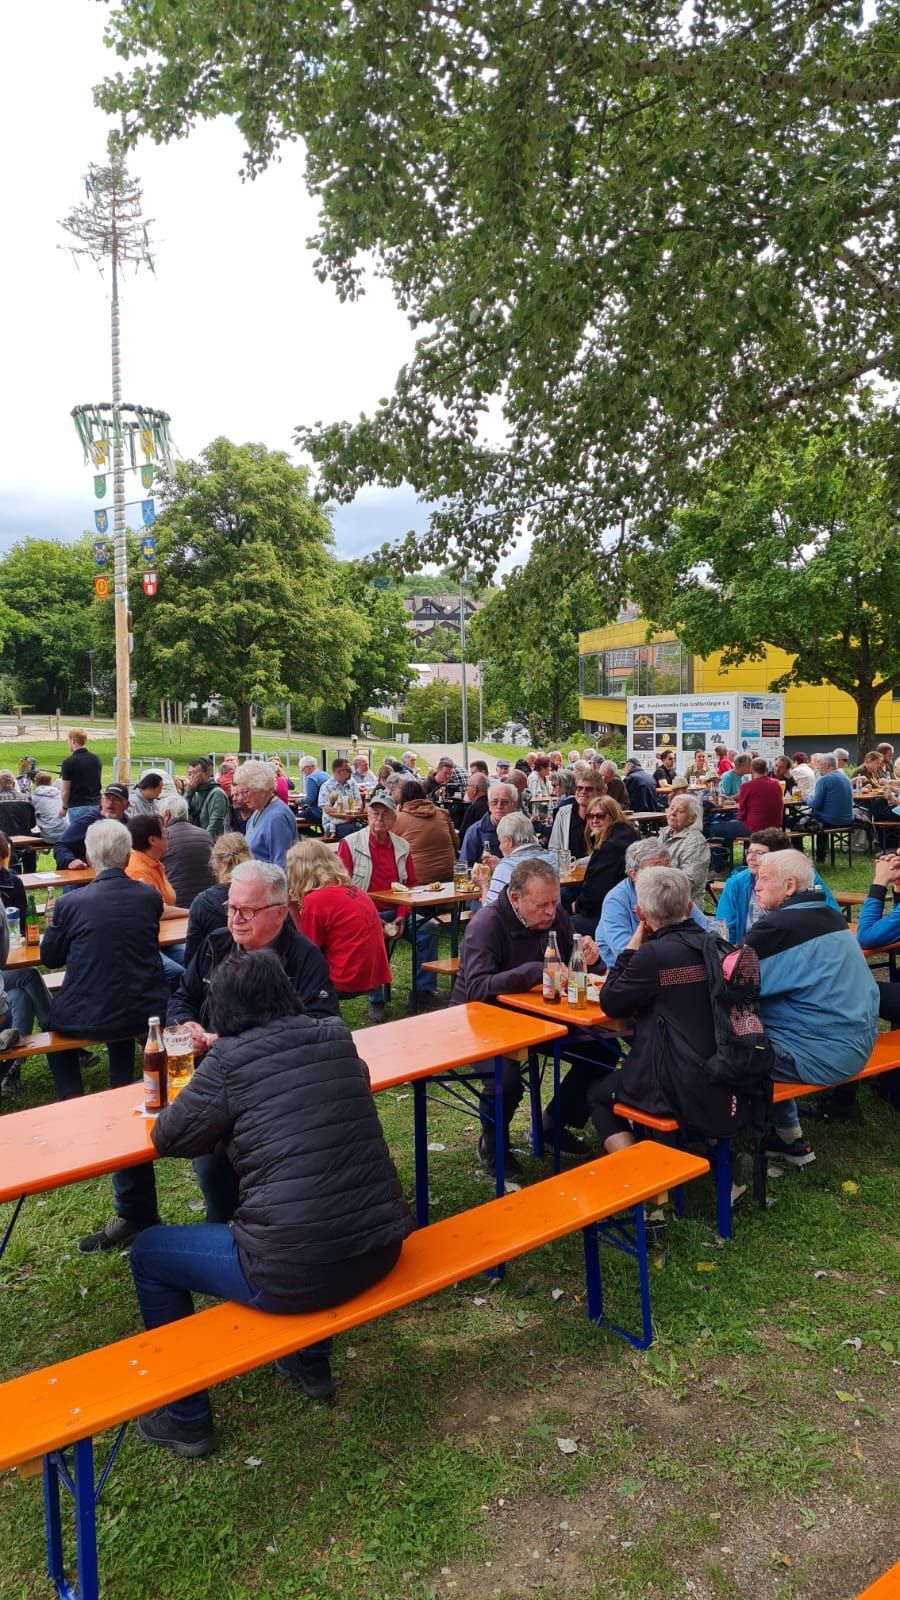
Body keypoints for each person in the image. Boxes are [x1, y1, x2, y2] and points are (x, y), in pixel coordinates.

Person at [129, 950, 413, 1456]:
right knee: (316, 1207)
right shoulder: (336, 1036)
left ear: (221, 1009)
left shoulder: (228, 1061)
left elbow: (169, 1137)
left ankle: (186, 1417)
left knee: (149, 1252)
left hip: (295, 1272)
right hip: (381, 1247)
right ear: (286, 992)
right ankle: (310, 1361)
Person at [452, 858, 614, 1181]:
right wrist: (532, 972)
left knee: (603, 1051)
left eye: (554, 902)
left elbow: (575, 965)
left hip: (542, 1015)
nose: (551, 912)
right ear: (515, 898)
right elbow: (477, 989)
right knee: (506, 1079)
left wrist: (591, 960)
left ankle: (552, 1124)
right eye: (541, 906)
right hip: (481, 1019)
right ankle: (493, 1145)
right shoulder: (486, 924)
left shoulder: (556, 916)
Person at [742, 849, 878, 1165]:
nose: (756, 886)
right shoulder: (831, 916)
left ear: (790, 885)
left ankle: (706, 1140)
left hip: (823, 1057)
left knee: (726, 1045)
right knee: (760, 1027)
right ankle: (788, 1135)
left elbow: (728, 986)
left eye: (763, 879)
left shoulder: (777, 929)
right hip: (859, 1043)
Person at [584, 867, 724, 1154]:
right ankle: (702, 1143)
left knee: (597, 1094)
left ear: (640, 913)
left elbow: (611, 1002)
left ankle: (637, 1170)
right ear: (689, 907)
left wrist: (632, 946)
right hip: (721, 1069)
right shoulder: (715, 945)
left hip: (673, 1080)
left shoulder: (654, 955)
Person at [41, 819, 170, 1105]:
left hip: (93, 1011)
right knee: (119, 997)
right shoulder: (148, 897)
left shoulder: (71, 903)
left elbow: (50, 958)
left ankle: (71, 1097)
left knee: (50, 1026)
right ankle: (120, 1085)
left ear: (89, 856)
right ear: (127, 857)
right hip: (145, 1006)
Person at [337, 795, 441, 1018]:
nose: (380, 818)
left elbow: (410, 884)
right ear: (367, 816)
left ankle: (422, 991)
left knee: (428, 929)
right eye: (375, 813)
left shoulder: (402, 846)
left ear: (395, 818)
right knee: (374, 934)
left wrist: (402, 915)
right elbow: (343, 888)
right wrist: (374, 918)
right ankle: (376, 999)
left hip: (398, 910)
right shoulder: (350, 844)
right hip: (364, 913)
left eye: (385, 814)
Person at [286, 840, 392, 997]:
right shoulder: (353, 889)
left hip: (346, 980)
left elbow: (308, 950)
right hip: (373, 975)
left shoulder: (315, 900)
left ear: (299, 870)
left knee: (285, 972)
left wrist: (292, 907)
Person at [596, 839, 707, 968]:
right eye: (655, 869)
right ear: (634, 874)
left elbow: (705, 931)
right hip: (626, 971)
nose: (664, 874)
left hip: (673, 966)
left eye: (667, 867)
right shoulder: (616, 900)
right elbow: (624, 951)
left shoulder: (670, 892)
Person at [716, 829, 838, 944]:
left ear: (779, 858)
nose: (750, 858)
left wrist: (798, 893)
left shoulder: (805, 877)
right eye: (749, 852)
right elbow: (725, 929)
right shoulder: (736, 883)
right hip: (750, 949)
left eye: (759, 853)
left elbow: (829, 911)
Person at [0, 832, 51, 1092]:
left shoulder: (12, 882)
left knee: (20, 996)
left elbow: (19, 928)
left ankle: (13, 1071)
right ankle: (57, 1027)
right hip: (4, 971)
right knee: (29, 975)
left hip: (6, 971)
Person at [184, 831, 252, 966]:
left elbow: (191, 959)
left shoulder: (202, 903)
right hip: (259, 969)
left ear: (216, 863)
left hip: (215, 972)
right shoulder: (262, 894)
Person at [571, 797, 638, 932]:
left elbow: (595, 893)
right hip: (631, 907)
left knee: (564, 924)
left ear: (613, 816)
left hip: (615, 914)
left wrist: (577, 906)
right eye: (590, 816)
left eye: (600, 816)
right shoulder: (629, 834)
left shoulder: (610, 848)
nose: (594, 820)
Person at [480, 812, 557, 908]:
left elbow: (489, 909)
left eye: (501, 842)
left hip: (521, 917)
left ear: (509, 841)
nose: (500, 847)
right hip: (551, 915)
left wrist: (484, 885)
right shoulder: (551, 859)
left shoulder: (504, 869)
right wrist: (501, 862)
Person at [234, 760, 299, 869]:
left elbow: (282, 866)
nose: (242, 797)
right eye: (240, 792)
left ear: (262, 790)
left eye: (245, 792)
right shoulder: (258, 811)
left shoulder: (277, 818)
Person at [391, 780, 459, 883]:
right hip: (448, 874)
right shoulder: (442, 813)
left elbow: (388, 848)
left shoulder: (398, 819)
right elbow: (456, 842)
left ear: (402, 798)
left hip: (418, 878)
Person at [711, 756, 785, 849]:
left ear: (751, 770)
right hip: (775, 826)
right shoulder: (777, 783)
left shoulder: (747, 786)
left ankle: (721, 857)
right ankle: (745, 853)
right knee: (732, 825)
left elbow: (741, 815)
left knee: (714, 828)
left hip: (754, 828)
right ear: (766, 770)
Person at [54, 782, 130, 870]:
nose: (110, 803)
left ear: (127, 805)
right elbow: (61, 845)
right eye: (107, 799)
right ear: (101, 801)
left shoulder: (130, 825)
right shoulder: (87, 822)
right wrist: (70, 861)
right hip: (84, 873)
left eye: (116, 800)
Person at [157, 793, 215, 905]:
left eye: (158, 815)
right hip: (206, 902)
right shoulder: (206, 835)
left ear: (167, 814)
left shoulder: (162, 838)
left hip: (176, 904)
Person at [657, 794, 711, 901]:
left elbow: (689, 881)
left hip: (679, 903)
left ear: (692, 818)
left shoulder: (695, 842)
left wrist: (655, 883)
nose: (672, 814)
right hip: (656, 896)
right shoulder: (665, 833)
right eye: (671, 808)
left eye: (680, 811)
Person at [460, 781, 519, 867]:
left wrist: (501, 864)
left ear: (514, 805)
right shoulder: (474, 832)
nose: (499, 806)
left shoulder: (523, 828)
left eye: (504, 802)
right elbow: (465, 866)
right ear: (488, 805)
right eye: (494, 802)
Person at [808, 753, 854, 863]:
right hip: (848, 820)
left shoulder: (824, 780)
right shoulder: (846, 779)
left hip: (831, 820)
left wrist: (805, 799)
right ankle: (820, 855)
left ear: (827, 765)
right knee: (819, 816)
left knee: (798, 821)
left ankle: (809, 856)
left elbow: (815, 804)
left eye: (820, 764)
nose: (818, 767)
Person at [547, 773, 603, 860]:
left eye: (589, 789)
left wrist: (578, 863)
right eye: (579, 788)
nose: (583, 792)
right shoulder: (563, 813)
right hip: (567, 867)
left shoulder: (604, 816)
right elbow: (554, 847)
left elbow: (605, 852)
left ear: (599, 792)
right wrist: (564, 864)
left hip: (596, 867)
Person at [58, 729, 102, 826]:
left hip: (78, 806)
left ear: (73, 741)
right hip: (96, 805)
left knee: (79, 834)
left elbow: (65, 791)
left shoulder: (68, 762)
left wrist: (64, 807)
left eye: (68, 740)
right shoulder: (96, 759)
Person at [318, 757, 366, 840]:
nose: (351, 772)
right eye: (348, 770)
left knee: (367, 827)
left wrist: (356, 811)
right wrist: (346, 815)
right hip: (333, 826)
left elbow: (359, 801)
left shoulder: (352, 783)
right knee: (358, 830)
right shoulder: (326, 786)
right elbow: (327, 809)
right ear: (338, 771)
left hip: (353, 821)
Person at [186, 756, 230, 839]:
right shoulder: (193, 792)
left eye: (195, 773)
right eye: (189, 774)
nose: (192, 777)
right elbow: (181, 814)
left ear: (207, 774)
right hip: (193, 839)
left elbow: (214, 826)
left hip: (208, 842)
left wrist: (204, 843)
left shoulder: (217, 793)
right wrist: (189, 792)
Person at [29, 770, 67, 842]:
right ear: (50, 782)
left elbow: (31, 820)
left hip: (49, 836)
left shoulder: (35, 798)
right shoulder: (60, 795)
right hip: (66, 834)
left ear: (35, 783)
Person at [298, 755, 329, 826]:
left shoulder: (311, 778)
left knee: (292, 820)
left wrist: (300, 800)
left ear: (308, 767)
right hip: (329, 811)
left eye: (302, 769)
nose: (302, 772)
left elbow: (310, 800)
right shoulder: (326, 774)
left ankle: (309, 833)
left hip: (318, 812)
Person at [457, 772, 490, 839]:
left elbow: (463, 835)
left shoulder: (473, 809)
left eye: (467, 786)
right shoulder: (492, 805)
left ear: (475, 789)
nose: (466, 789)